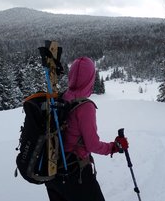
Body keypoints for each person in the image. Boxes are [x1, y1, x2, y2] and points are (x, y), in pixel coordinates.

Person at [45, 57, 129, 201]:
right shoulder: (85, 106)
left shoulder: (61, 97)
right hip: (76, 174)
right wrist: (114, 147)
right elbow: (93, 145)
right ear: (90, 79)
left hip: (53, 172)